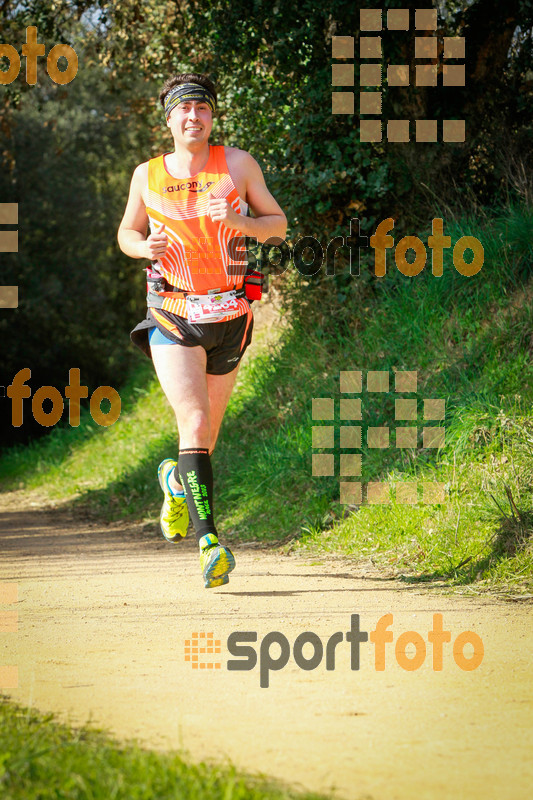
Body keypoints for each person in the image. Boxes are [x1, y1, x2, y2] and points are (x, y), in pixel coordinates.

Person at [117, 72, 286, 588]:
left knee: (205, 436)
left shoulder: (237, 165)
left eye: (203, 110)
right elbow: (127, 230)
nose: (194, 118)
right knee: (193, 420)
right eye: (184, 110)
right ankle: (210, 542)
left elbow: (277, 226)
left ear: (212, 116)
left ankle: (174, 480)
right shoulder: (147, 175)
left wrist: (241, 224)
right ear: (168, 118)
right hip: (173, 311)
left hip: (231, 316)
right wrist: (142, 247)